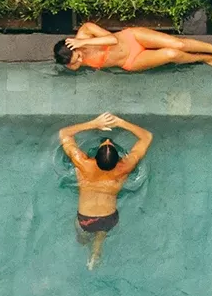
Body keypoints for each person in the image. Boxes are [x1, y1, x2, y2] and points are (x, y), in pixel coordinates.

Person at [59, 111, 153, 269]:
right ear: (118, 160)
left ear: (95, 157)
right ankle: (96, 252)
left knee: (82, 237)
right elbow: (147, 137)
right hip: (109, 218)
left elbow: (64, 133)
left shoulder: (83, 163)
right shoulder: (124, 167)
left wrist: (94, 124)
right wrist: (120, 122)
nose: (108, 140)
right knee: (101, 233)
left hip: (86, 219)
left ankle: (86, 246)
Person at [54, 22, 212, 71]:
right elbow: (72, 64)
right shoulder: (71, 63)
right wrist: (74, 62)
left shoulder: (86, 31)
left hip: (131, 39)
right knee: (171, 54)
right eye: (76, 61)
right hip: (130, 60)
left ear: (73, 44)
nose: (80, 60)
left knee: (178, 43)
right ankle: (205, 57)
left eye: (78, 55)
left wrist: (83, 42)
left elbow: (112, 40)